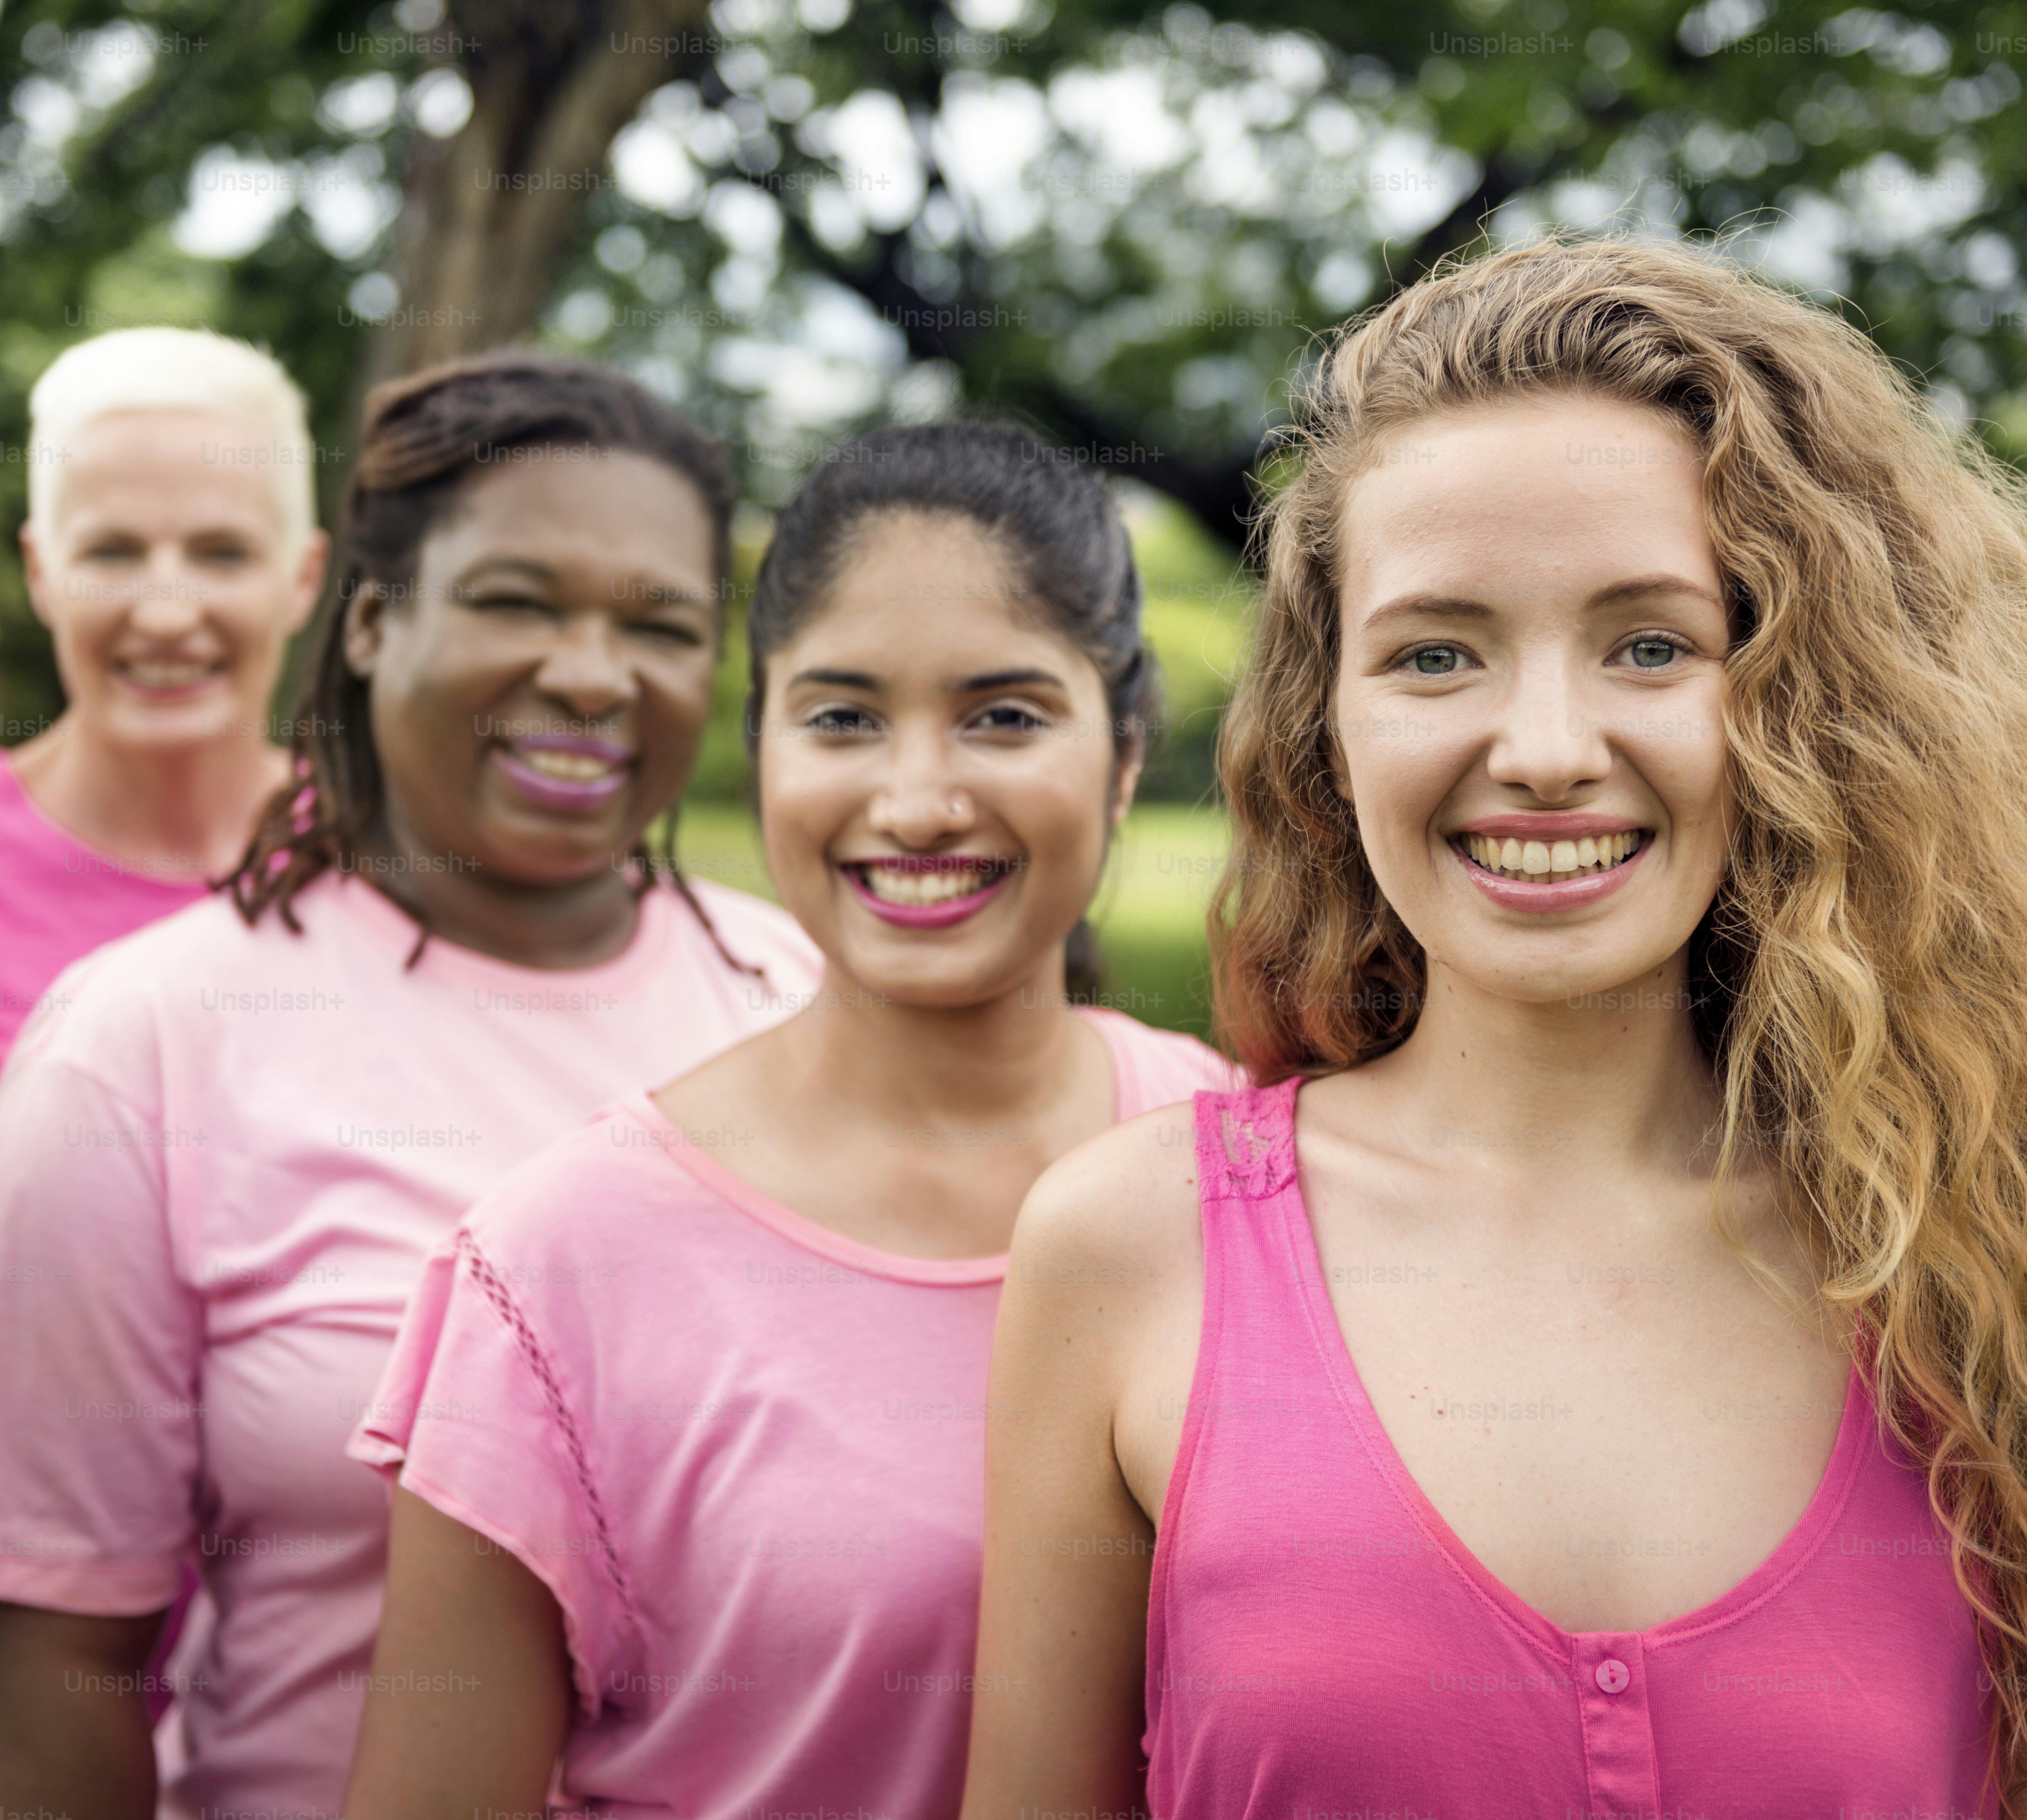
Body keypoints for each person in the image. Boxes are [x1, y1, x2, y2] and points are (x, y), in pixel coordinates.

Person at [960, 238, 2027, 1816]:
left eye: (1650, 644)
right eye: (1436, 653)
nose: (1542, 749)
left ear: (1804, 699)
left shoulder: (1973, 1244)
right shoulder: (1126, 1249)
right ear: (1327, 721)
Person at [338, 421, 1238, 1820]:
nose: (918, 801)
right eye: (842, 718)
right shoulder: (559, 1265)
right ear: (759, 746)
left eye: (1005, 716)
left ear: (1123, 758)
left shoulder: (1258, 1159)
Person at [0, 350, 822, 1820]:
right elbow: (59, 1667)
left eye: (659, 624)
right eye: (517, 600)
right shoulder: (144, 1041)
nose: (593, 672)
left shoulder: (800, 999)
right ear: (374, 619)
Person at [0, 327, 330, 1057]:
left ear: (304, 578)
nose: (166, 615)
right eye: (112, 552)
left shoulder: (394, 864)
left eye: (224, 554)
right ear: (41, 573)